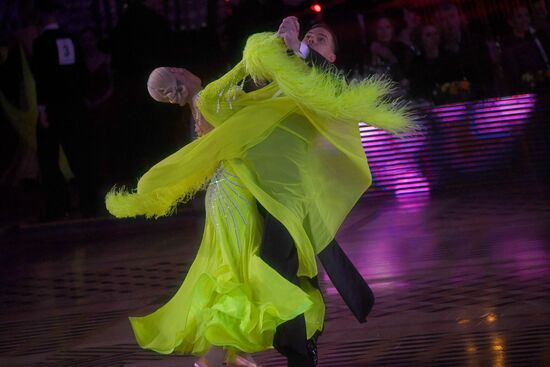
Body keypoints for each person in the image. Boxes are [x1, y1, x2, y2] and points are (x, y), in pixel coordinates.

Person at [106, 17, 414, 367]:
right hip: (256, 191)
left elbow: (327, 83)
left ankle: (258, 349)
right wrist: (270, 51)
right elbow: (235, 106)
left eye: (321, 38)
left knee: (279, 271)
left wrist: (295, 46)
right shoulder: (273, 80)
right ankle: (259, 350)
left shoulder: (325, 81)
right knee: (268, 270)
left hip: (289, 195)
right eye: (309, 34)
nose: (312, 38)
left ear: (329, 56)